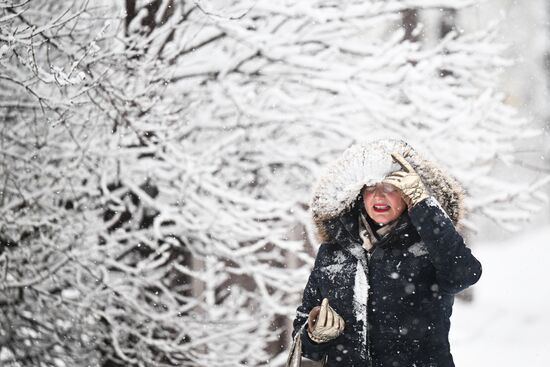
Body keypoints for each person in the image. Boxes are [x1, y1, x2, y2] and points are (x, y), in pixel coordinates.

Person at [292, 139, 482, 367]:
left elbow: (464, 274)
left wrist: (424, 206)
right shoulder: (335, 251)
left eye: (391, 187)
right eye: (370, 186)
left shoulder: (429, 244)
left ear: (408, 193)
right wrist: (315, 335)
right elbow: (303, 333)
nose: (379, 196)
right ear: (358, 194)